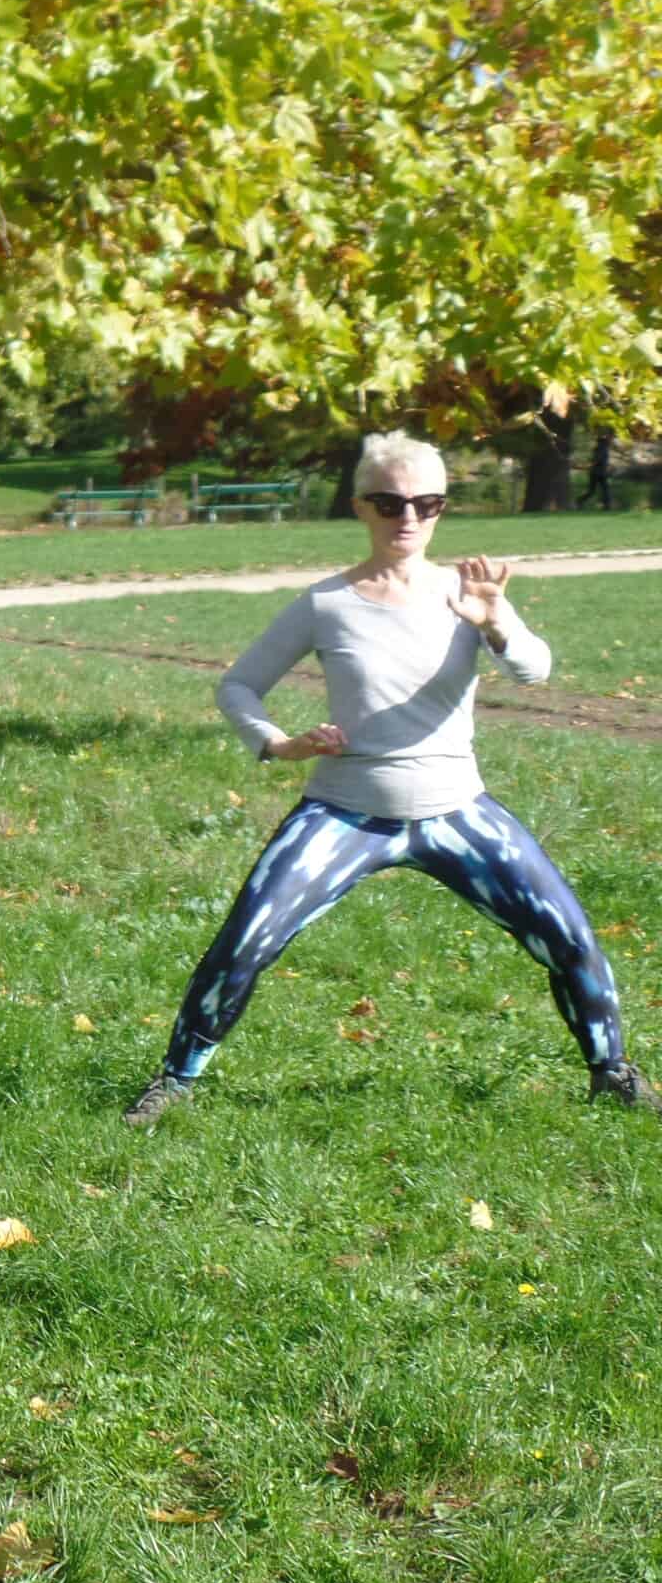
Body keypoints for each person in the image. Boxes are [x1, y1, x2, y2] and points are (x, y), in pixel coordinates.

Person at [125, 431, 657, 1127]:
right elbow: (239, 688)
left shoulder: (467, 593)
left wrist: (495, 620)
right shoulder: (325, 604)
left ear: (441, 510)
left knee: (570, 937)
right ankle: (176, 1080)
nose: (408, 517)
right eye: (389, 501)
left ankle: (612, 1073)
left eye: (426, 503)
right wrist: (282, 745)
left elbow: (535, 670)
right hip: (344, 813)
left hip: (457, 812)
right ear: (360, 508)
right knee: (244, 941)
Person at [586, 431, 616, 513]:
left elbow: (598, 460)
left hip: (596, 472)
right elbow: (598, 460)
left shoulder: (599, 448)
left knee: (593, 491)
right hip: (599, 473)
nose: (611, 440)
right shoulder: (603, 448)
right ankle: (607, 506)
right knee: (605, 490)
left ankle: (607, 506)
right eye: (610, 439)